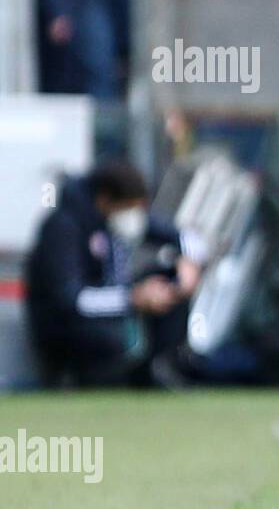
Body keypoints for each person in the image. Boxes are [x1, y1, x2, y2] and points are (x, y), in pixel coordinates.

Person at [25, 161, 203, 388]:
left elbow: (190, 240)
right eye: (130, 207)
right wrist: (132, 298)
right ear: (106, 199)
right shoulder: (63, 228)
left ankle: (158, 368)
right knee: (108, 339)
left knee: (169, 282)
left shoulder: (119, 217)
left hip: (117, 306)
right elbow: (71, 300)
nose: (135, 216)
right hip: (70, 326)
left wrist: (187, 263)